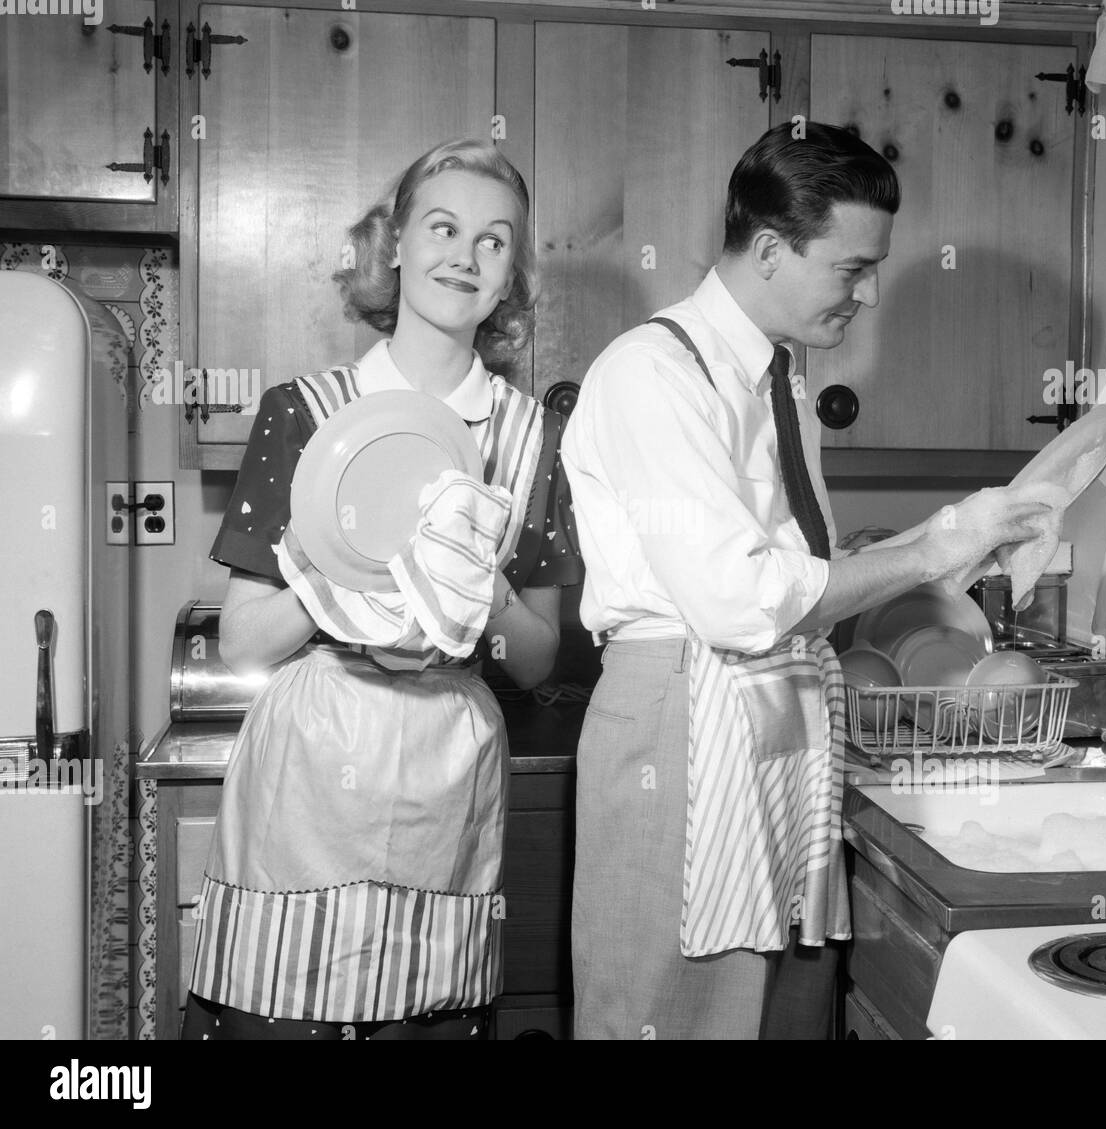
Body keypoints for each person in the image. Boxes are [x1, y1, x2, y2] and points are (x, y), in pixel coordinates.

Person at [561, 121, 1047, 1040]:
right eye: (852, 268)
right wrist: (932, 547)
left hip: (777, 716)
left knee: (771, 1011)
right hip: (681, 717)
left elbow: (801, 575)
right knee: (666, 1013)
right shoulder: (651, 375)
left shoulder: (781, 385)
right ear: (774, 249)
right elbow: (740, 602)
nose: (866, 294)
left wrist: (962, 533)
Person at [181, 138, 582, 1040]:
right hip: (312, 761)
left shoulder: (531, 439)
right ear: (395, 242)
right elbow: (244, 642)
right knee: (282, 1016)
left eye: (493, 240)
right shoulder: (306, 409)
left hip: (449, 762)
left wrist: (486, 598)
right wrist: (325, 587)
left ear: (512, 271)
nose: (464, 255)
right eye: (442, 227)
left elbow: (537, 657)